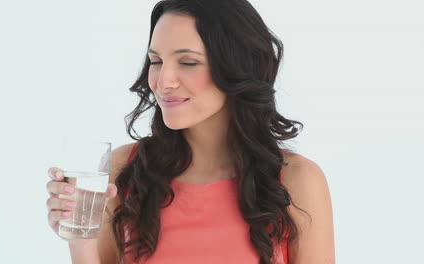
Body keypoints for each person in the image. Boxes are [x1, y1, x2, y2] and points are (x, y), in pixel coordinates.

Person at [46, 0, 335, 263]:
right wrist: (80, 239)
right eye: (156, 61)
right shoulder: (125, 169)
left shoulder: (297, 180)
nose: (163, 81)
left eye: (187, 62)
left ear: (236, 68)